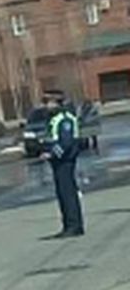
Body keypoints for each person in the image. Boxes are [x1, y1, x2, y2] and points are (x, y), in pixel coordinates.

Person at [41, 92, 84, 238]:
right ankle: (68, 225)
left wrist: (52, 154)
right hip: (58, 162)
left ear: (58, 103)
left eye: (49, 102)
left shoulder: (65, 119)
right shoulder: (54, 119)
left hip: (65, 160)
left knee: (68, 194)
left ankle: (74, 225)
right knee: (62, 194)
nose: (47, 105)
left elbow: (66, 142)